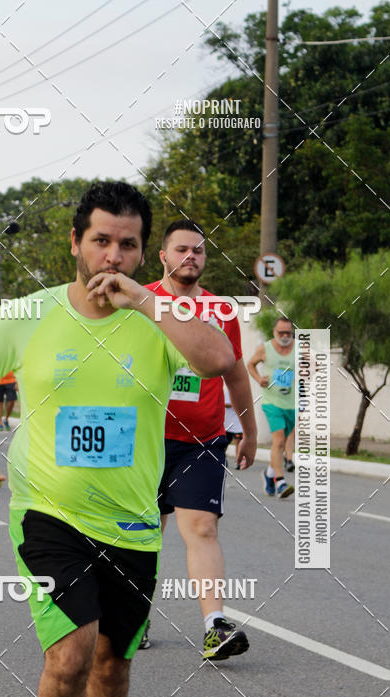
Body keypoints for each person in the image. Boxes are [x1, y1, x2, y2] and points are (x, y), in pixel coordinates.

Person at [0, 181, 234, 697]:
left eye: (128, 244)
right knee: (73, 653)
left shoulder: (160, 316)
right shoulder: (32, 314)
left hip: (133, 522)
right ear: (76, 243)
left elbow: (217, 359)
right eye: (100, 240)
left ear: (144, 253)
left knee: (113, 663)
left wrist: (147, 302)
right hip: (48, 513)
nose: (112, 254)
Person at [141, 220, 256, 658]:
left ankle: (215, 626)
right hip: (143, 439)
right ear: (164, 257)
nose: (192, 257)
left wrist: (249, 430)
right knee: (145, 532)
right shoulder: (140, 302)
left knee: (203, 528)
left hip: (202, 439)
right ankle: (136, 616)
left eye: (199, 251)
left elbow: (236, 373)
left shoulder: (222, 311)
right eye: (182, 249)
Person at [247, 317, 296, 498]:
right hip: (272, 403)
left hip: (291, 404)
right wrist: (259, 379)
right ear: (274, 332)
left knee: (280, 445)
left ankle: (268, 474)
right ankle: (280, 482)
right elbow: (250, 364)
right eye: (281, 332)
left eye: (288, 333)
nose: (284, 336)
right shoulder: (265, 349)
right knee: (280, 441)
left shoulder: (299, 349)